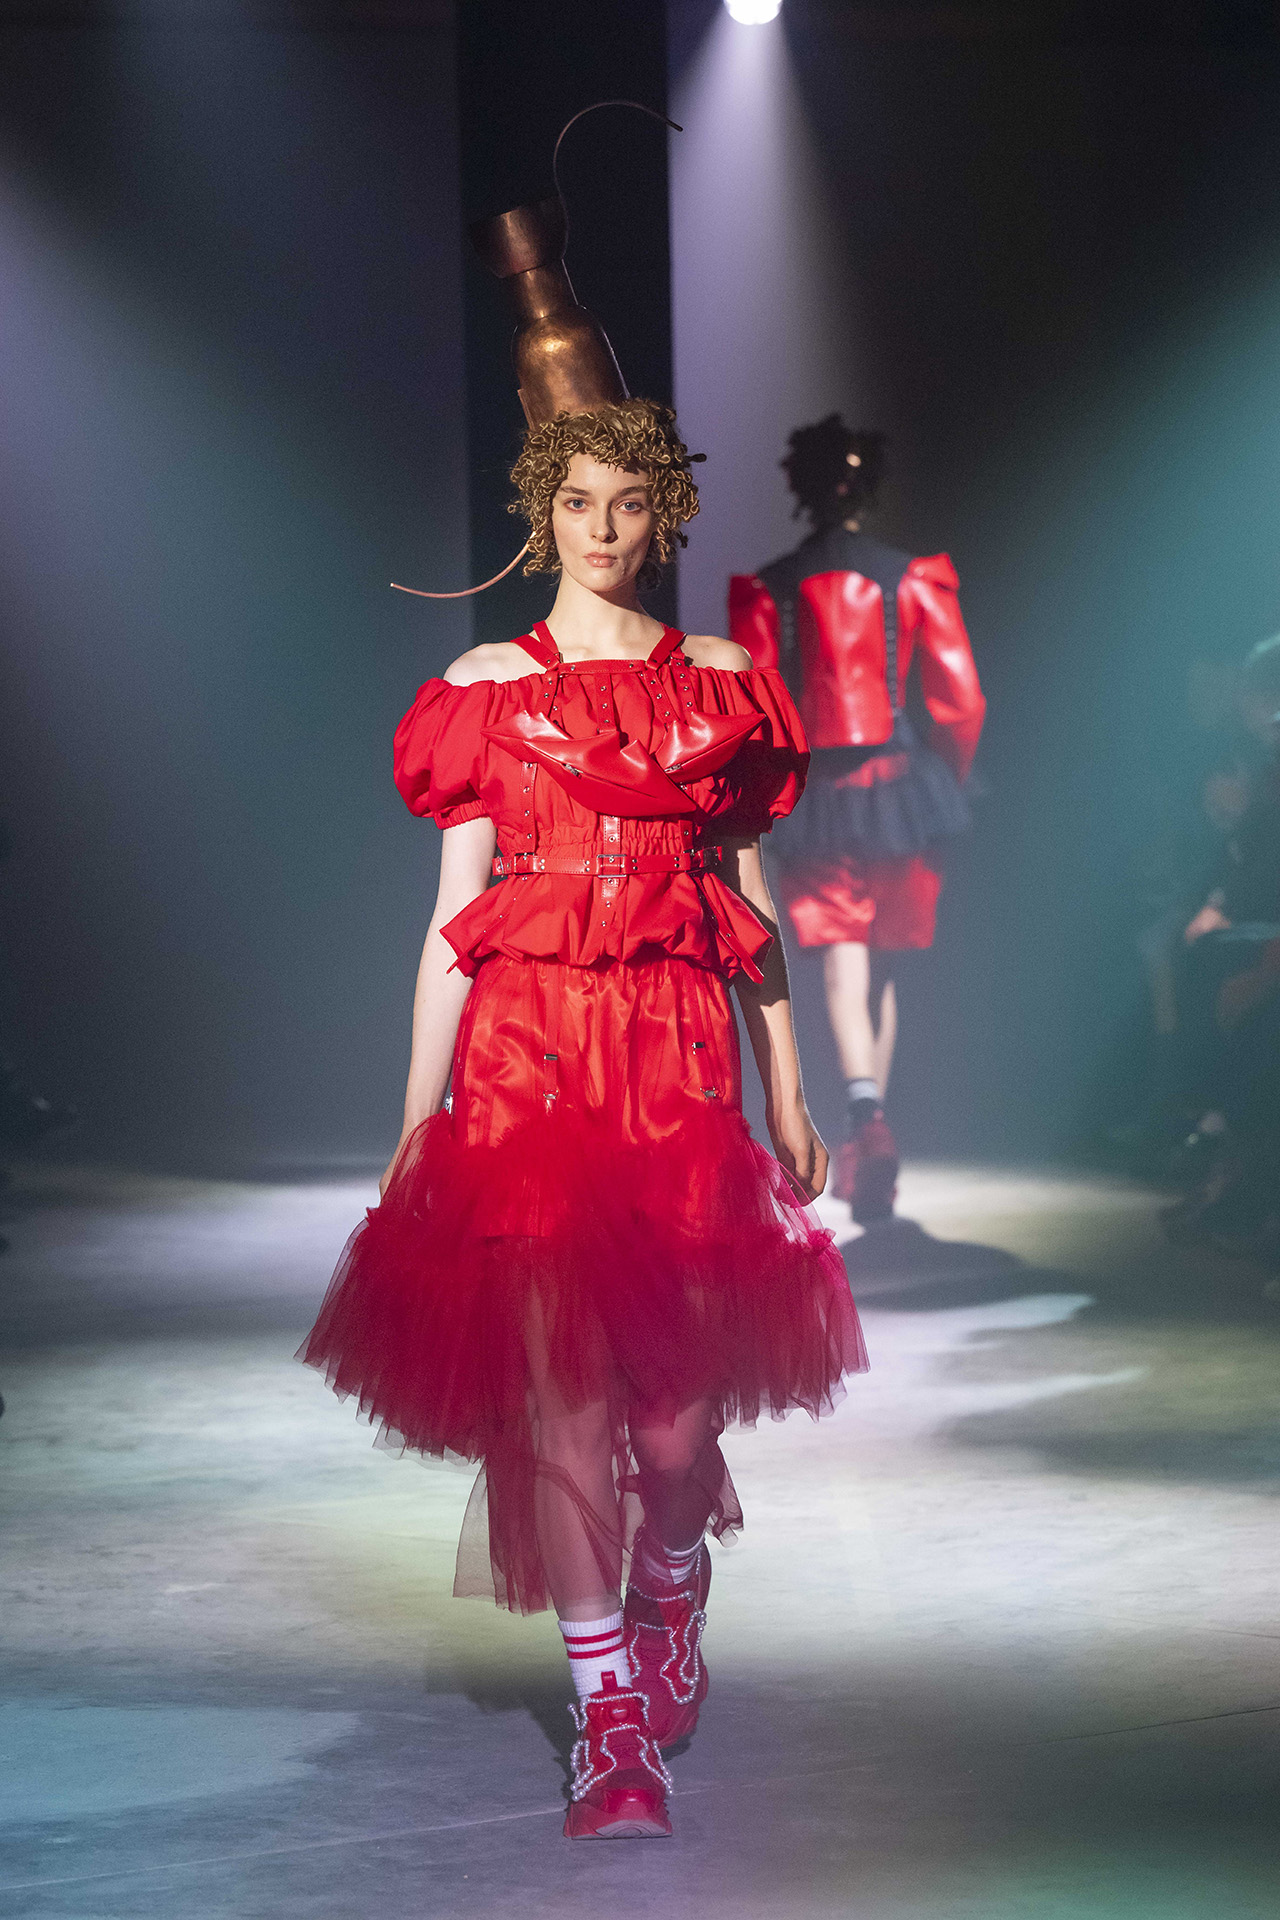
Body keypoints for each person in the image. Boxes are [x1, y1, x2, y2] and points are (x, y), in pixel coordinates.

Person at [302, 397, 867, 1840]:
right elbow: (452, 927)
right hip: (526, 1060)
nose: (602, 530)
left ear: (662, 512)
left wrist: (790, 1090)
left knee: (674, 1433)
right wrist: (416, 1119)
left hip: (675, 1058)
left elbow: (747, 906)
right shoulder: (482, 691)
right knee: (562, 1401)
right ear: (540, 511)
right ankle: (610, 1721)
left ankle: (673, 1582)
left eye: (627, 503)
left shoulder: (722, 685)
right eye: (576, 502)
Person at [729, 417, 985, 1222]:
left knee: (844, 965)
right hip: (904, 788)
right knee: (885, 961)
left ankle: (866, 1118)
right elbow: (960, 698)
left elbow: (755, 703)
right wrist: (951, 780)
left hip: (821, 798)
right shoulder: (911, 578)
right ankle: (872, 1122)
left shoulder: (771, 587)